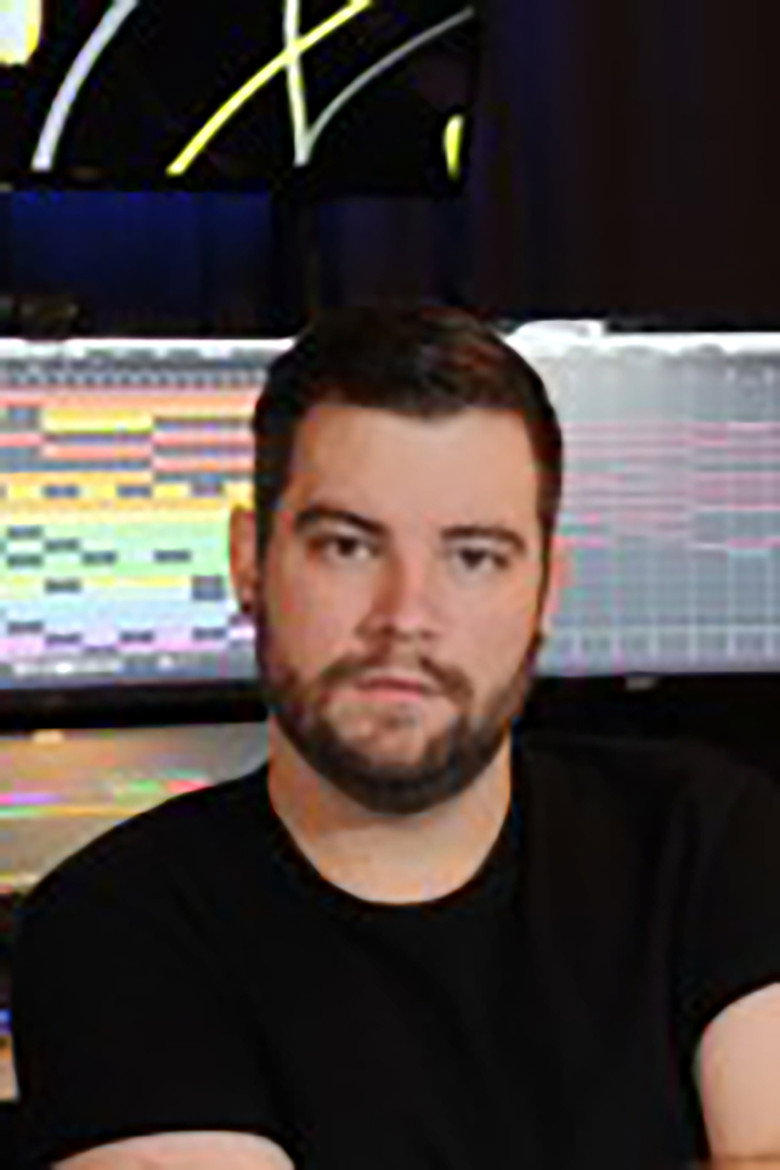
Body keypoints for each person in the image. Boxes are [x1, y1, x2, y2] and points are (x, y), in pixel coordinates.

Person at [10, 304, 780, 1170]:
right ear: (249, 560)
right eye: (347, 546)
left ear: (548, 589)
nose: (407, 615)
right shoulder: (116, 926)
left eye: (474, 556)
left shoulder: (705, 836)